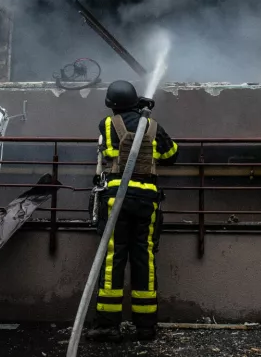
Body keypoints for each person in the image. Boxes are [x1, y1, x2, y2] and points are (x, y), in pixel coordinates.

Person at [88, 80, 178, 343]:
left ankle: (108, 326)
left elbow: (108, 150)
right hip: (147, 200)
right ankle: (145, 327)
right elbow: (171, 155)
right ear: (135, 101)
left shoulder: (107, 124)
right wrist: (143, 117)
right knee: (144, 259)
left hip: (116, 198)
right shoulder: (152, 126)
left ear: (111, 104)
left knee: (113, 258)